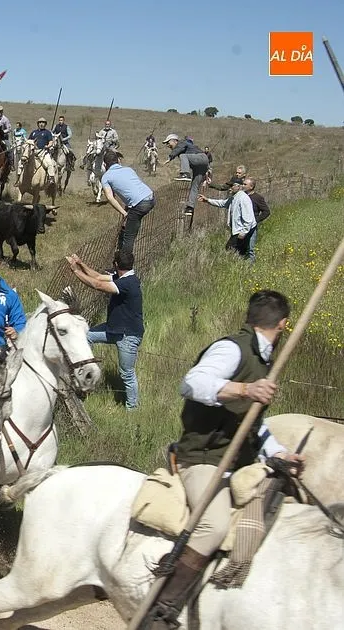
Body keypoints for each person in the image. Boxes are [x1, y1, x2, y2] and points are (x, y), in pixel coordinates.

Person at [144, 290, 304, 629]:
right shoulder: (232, 348)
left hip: (239, 464)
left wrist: (279, 454)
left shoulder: (263, 362)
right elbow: (192, 383)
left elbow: (253, 426)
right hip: (202, 459)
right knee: (213, 525)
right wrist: (245, 389)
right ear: (284, 324)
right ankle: (161, 612)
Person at [66, 249, 143, 409]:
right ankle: (86, 370)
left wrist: (75, 271)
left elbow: (97, 284)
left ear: (115, 265)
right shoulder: (124, 277)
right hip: (113, 329)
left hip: (127, 336)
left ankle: (133, 408)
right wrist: (80, 264)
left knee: (126, 374)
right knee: (86, 336)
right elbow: (98, 276)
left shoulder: (126, 284)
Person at [100, 149, 155, 253]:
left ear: (104, 164)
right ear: (118, 161)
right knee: (129, 224)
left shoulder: (105, 177)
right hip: (151, 197)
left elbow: (110, 198)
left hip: (140, 204)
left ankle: (124, 264)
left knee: (128, 237)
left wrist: (124, 213)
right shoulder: (129, 169)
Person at [198, 180, 255, 260]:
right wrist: (207, 200)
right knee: (237, 252)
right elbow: (223, 203)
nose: (229, 189)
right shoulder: (234, 197)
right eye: (229, 186)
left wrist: (243, 233)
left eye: (232, 186)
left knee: (231, 249)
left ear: (238, 187)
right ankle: (241, 268)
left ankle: (241, 267)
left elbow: (248, 218)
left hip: (241, 231)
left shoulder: (243, 198)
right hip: (237, 230)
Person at [162, 133, 208, 216]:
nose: (167, 145)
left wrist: (170, 158)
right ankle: (190, 208)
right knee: (194, 187)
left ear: (175, 141)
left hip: (201, 158)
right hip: (201, 166)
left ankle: (185, 174)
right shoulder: (184, 146)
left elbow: (178, 150)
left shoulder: (182, 143)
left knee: (183, 156)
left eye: (168, 143)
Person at [243, 177, 270, 263]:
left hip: (252, 227)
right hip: (241, 226)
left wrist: (256, 220)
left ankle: (251, 268)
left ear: (251, 186)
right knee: (241, 248)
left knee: (251, 248)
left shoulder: (257, 197)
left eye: (245, 184)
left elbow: (266, 211)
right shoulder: (241, 196)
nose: (242, 186)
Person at [28, 117, 58, 185]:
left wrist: (48, 146)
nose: (41, 124)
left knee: (49, 163)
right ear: (38, 124)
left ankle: (51, 178)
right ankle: (19, 178)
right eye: (40, 122)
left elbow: (51, 142)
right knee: (22, 162)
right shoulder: (33, 132)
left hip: (43, 152)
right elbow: (29, 141)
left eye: (43, 123)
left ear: (45, 124)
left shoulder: (47, 132)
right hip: (34, 152)